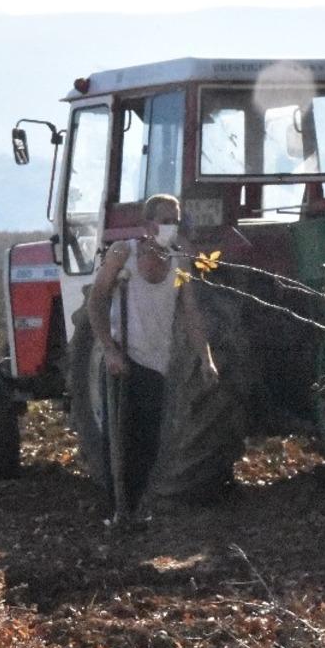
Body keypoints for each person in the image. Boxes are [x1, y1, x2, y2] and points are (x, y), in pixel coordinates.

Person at [88, 194, 218, 511]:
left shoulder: (179, 261)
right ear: (148, 224)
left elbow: (191, 313)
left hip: (156, 363)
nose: (171, 226)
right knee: (118, 441)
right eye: (165, 220)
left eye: (176, 220)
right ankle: (115, 511)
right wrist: (109, 349)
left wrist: (206, 357)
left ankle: (136, 508)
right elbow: (96, 301)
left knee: (148, 443)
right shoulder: (123, 254)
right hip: (123, 359)